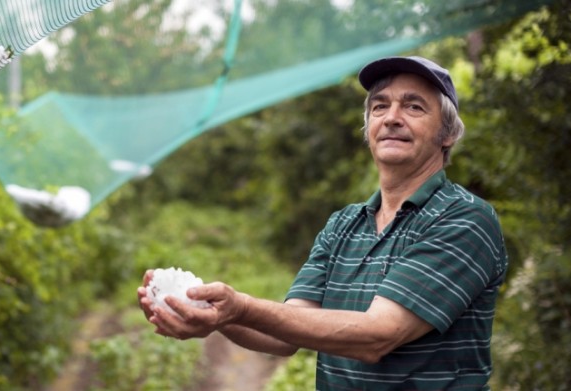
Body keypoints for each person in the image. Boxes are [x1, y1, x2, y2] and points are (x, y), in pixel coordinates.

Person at [137, 56, 508, 390]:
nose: (392, 117)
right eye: (380, 106)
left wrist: (242, 307)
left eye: (414, 106)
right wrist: (214, 316)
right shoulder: (344, 224)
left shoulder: (464, 218)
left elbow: (377, 335)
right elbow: (287, 333)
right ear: (369, 128)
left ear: (447, 133)